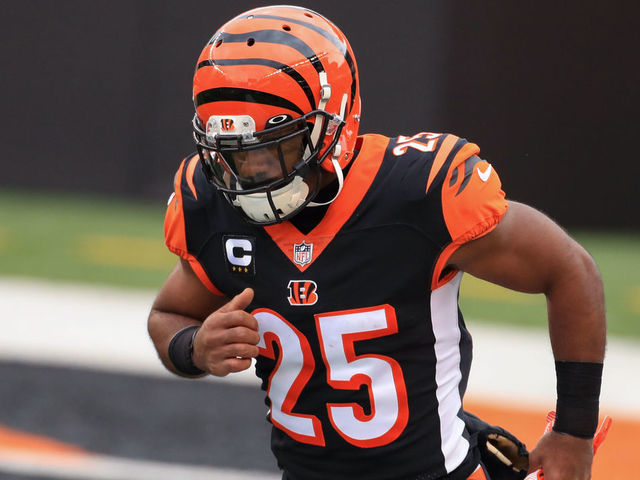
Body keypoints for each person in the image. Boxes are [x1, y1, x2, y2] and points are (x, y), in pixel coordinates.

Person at [147, 5, 606, 480]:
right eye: (231, 156)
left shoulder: (415, 196)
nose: (250, 175)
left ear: (333, 121)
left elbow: (568, 269)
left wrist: (574, 430)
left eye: (270, 148)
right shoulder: (213, 207)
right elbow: (168, 315)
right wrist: (194, 348)